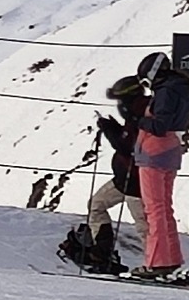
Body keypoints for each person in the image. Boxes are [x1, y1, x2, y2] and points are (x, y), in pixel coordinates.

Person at [59, 67, 149, 273]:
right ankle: (101, 252)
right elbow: (127, 141)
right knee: (96, 204)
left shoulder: (140, 118)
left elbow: (129, 147)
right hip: (123, 180)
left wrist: (109, 130)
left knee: (145, 228)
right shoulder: (137, 115)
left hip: (135, 184)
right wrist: (113, 128)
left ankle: (156, 266)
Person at [129, 54, 189, 283]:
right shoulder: (179, 88)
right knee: (164, 208)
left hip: (154, 153)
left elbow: (159, 125)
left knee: (154, 209)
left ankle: (157, 263)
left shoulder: (165, 91)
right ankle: (171, 260)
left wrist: (137, 120)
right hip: (170, 150)